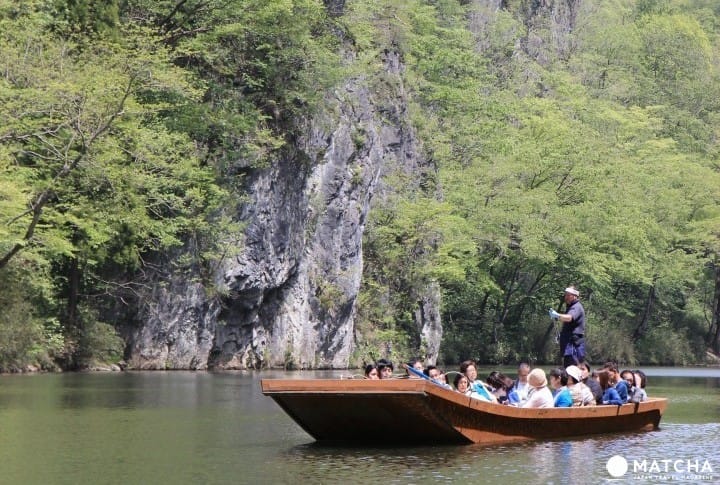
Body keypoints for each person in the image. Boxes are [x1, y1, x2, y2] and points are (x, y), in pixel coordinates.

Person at [549, 286, 586, 367]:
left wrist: (557, 315)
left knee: (573, 370)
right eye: (565, 295)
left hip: (574, 346)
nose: (566, 297)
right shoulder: (570, 307)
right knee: (568, 369)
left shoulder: (576, 307)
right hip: (569, 345)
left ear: (575, 296)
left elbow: (569, 318)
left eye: (568, 295)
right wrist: (562, 336)